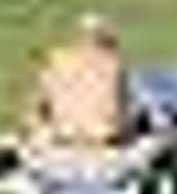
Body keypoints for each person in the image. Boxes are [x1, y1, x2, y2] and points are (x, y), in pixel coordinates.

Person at [28, 12, 133, 152]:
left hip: (61, 133)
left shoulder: (57, 61)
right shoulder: (111, 65)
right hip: (100, 136)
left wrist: (43, 131)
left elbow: (36, 110)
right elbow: (121, 112)